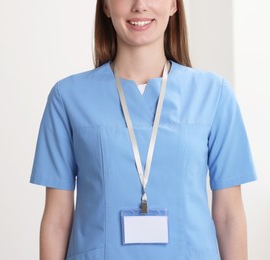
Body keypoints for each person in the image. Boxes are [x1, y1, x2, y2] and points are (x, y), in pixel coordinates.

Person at [30, 0, 257, 259]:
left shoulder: (214, 95)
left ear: (173, 5)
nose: (140, 5)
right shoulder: (68, 97)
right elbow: (57, 219)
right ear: (105, 6)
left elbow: (229, 216)